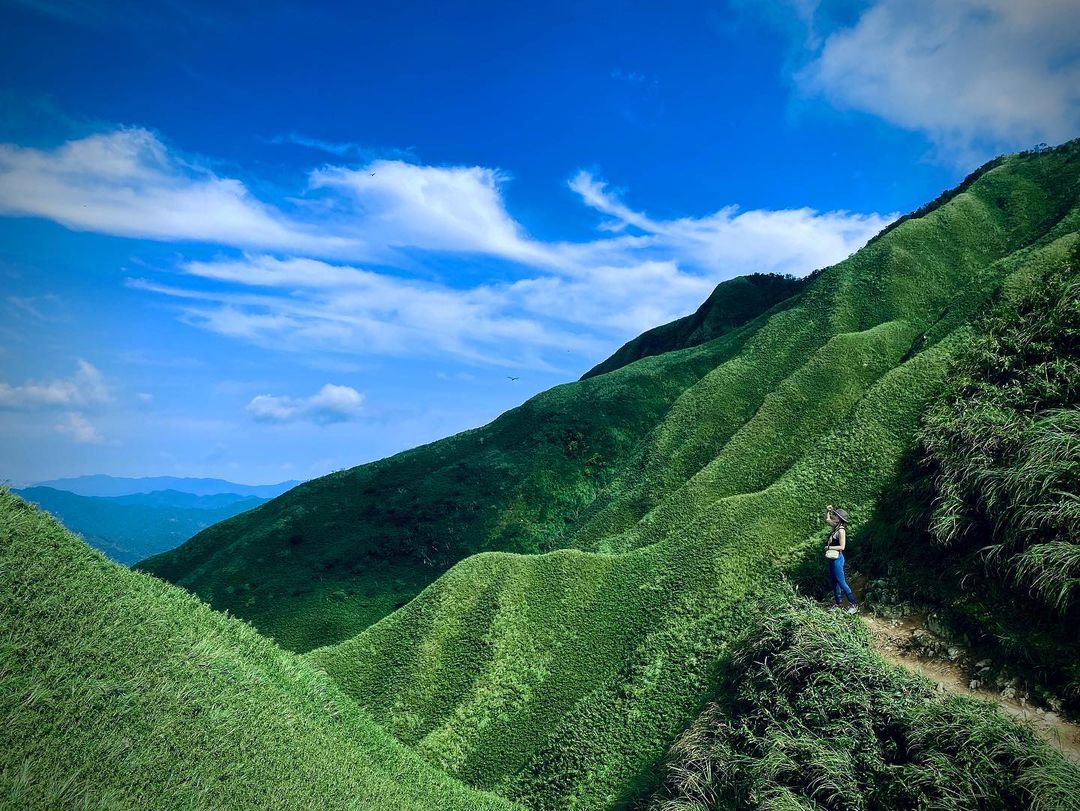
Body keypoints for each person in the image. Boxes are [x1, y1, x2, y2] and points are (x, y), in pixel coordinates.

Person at [824, 504, 857, 613]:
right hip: (832, 559)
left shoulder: (841, 531)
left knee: (841, 582)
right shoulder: (835, 526)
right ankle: (839, 604)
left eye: (836, 516)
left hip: (838, 558)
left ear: (840, 519)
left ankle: (853, 604)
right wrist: (827, 511)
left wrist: (828, 547)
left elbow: (842, 547)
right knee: (834, 581)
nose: (834, 516)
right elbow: (827, 519)